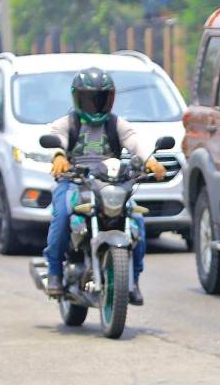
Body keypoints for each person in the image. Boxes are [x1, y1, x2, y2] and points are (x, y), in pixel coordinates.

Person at [43, 67, 166, 304]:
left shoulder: (116, 124)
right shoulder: (66, 124)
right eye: (90, 99)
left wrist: (150, 161)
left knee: (137, 221)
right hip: (74, 182)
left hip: (110, 183)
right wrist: (59, 156)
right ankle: (55, 272)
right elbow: (58, 141)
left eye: (101, 98)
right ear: (77, 97)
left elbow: (135, 143)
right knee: (62, 215)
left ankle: (134, 280)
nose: (95, 104)